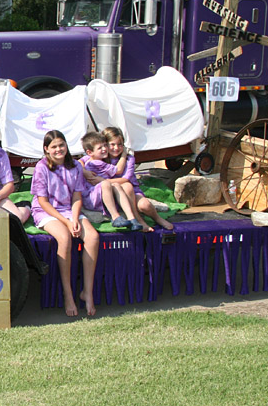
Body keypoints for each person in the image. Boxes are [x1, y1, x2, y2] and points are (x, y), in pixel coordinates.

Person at [31, 130, 100, 317]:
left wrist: (75, 219)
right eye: (53, 146)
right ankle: (68, 294)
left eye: (61, 145)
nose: (58, 149)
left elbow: (77, 196)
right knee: (64, 238)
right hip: (46, 210)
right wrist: (67, 222)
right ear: (46, 149)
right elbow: (43, 201)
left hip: (69, 209)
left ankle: (87, 292)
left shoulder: (76, 166)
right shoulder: (42, 167)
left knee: (93, 237)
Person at [103, 126, 173, 230]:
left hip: (133, 191)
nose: (116, 148)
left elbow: (126, 178)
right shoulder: (101, 159)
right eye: (112, 144)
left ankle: (157, 218)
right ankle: (138, 219)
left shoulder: (129, 159)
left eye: (119, 144)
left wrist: (104, 181)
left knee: (144, 205)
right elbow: (84, 160)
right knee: (126, 187)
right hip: (115, 194)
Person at [80, 131, 148, 232]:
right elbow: (118, 170)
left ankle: (132, 218)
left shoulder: (95, 159)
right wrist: (124, 155)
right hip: (92, 197)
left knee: (116, 185)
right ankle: (115, 216)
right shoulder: (96, 163)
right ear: (90, 152)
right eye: (100, 148)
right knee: (107, 183)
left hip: (99, 193)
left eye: (104, 146)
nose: (104, 149)